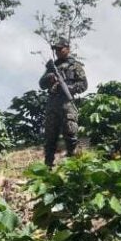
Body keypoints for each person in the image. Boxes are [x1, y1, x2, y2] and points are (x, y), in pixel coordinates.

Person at [39, 39, 88, 167]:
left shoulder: (75, 66)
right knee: (50, 138)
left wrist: (68, 88)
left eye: (61, 49)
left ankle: (74, 166)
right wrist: (50, 78)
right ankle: (48, 166)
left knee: (70, 135)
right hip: (52, 104)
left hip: (67, 104)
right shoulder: (52, 67)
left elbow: (84, 85)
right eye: (56, 49)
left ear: (68, 49)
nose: (58, 51)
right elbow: (41, 84)